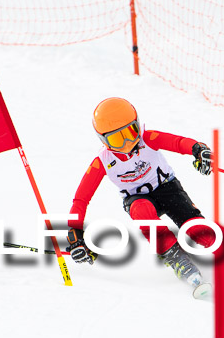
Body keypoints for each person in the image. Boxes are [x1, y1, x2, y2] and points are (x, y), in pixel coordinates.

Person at [65, 97, 215, 287]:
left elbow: (178, 142)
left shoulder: (148, 139)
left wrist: (198, 149)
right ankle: (176, 258)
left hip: (167, 189)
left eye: (130, 132)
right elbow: (81, 199)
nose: (127, 143)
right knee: (141, 210)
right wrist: (75, 232)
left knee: (198, 230)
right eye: (117, 139)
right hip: (138, 199)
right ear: (104, 140)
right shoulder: (103, 161)